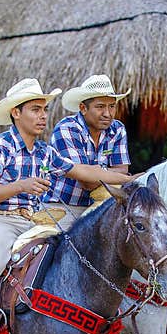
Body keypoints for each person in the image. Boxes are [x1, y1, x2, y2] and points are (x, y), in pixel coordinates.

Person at [0, 78, 135, 334]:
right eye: (35, 110)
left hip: (33, 221)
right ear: (16, 113)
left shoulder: (45, 152)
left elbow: (82, 171)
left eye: (44, 110)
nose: (43, 116)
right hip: (1, 220)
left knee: (68, 257)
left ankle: (46, 332)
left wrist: (130, 180)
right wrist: (20, 185)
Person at [44, 74, 132, 230]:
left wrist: (95, 173)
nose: (108, 113)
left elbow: (122, 171)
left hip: (102, 205)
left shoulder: (117, 129)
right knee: (56, 248)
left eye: (111, 106)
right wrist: (120, 178)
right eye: (100, 107)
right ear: (83, 108)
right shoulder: (67, 128)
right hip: (63, 207)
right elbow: (86, 181)